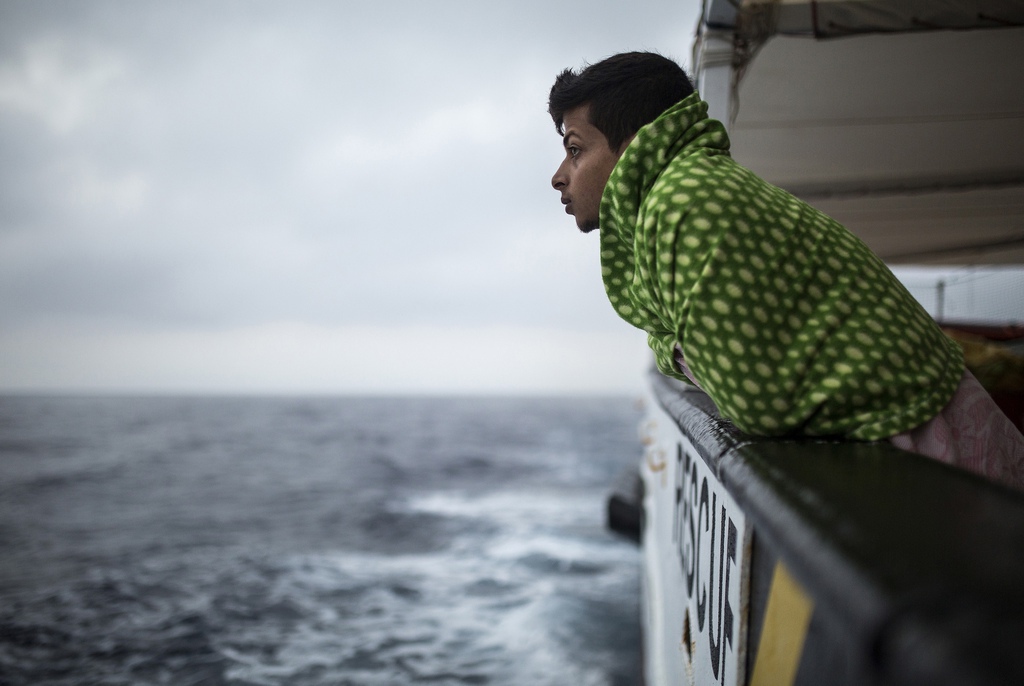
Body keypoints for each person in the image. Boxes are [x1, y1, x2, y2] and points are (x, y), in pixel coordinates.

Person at [548, 51, 1024, 490]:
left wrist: (671, 348)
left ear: (634, 142)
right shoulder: (692, 187)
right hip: (922, 426)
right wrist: (674, 345)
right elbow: (699, 349)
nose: (559, 176)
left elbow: (754, 402)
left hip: (930, 439)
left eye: (575, 150)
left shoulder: (685, 200)